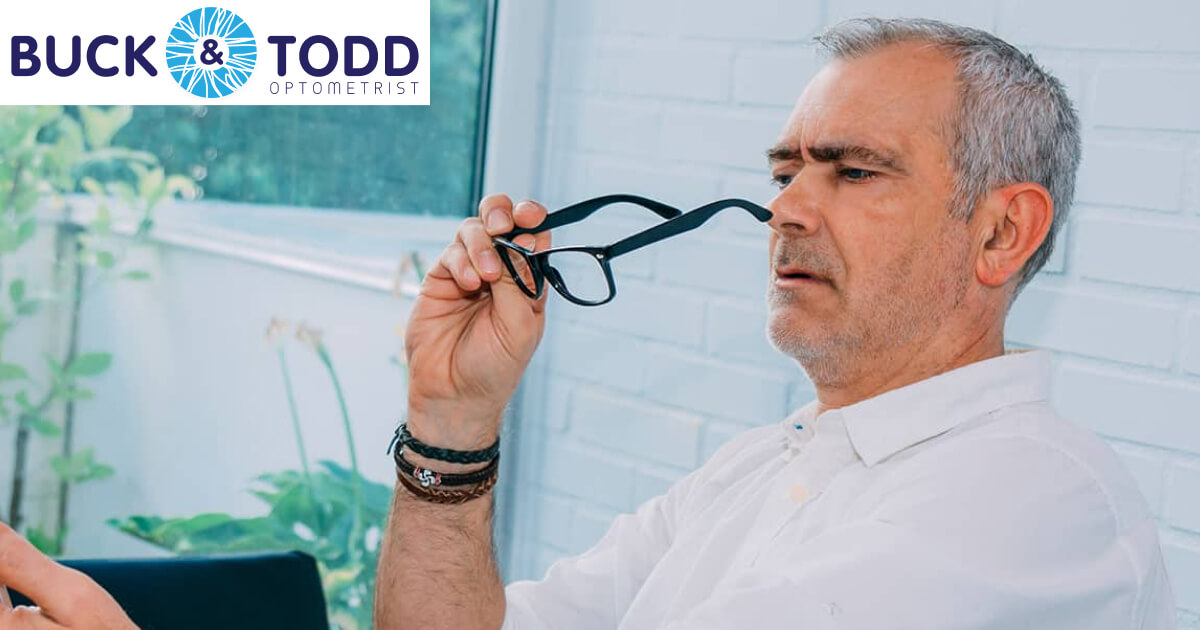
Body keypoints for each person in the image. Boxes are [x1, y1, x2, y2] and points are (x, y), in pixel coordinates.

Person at [375, 16, 1176, 630]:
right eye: (785, 172)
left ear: (1002, 233)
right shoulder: (761, 466)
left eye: (855, 171)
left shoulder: (1029, 499)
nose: (784, 210)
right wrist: (453, 423)